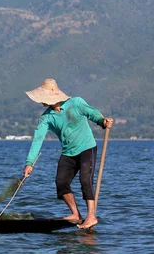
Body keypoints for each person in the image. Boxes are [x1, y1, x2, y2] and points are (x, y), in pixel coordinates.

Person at [23, 79, 113, 229]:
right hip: (68, 152)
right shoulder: (46, 118)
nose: (41, 102)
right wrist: (29, 163)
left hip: (86, 148)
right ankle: (76, 214)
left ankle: (91, 216)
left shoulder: (76, 103)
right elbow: (37, 139)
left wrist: (103, 121)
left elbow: (93, 113)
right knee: (61, 183)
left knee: (85, 180)